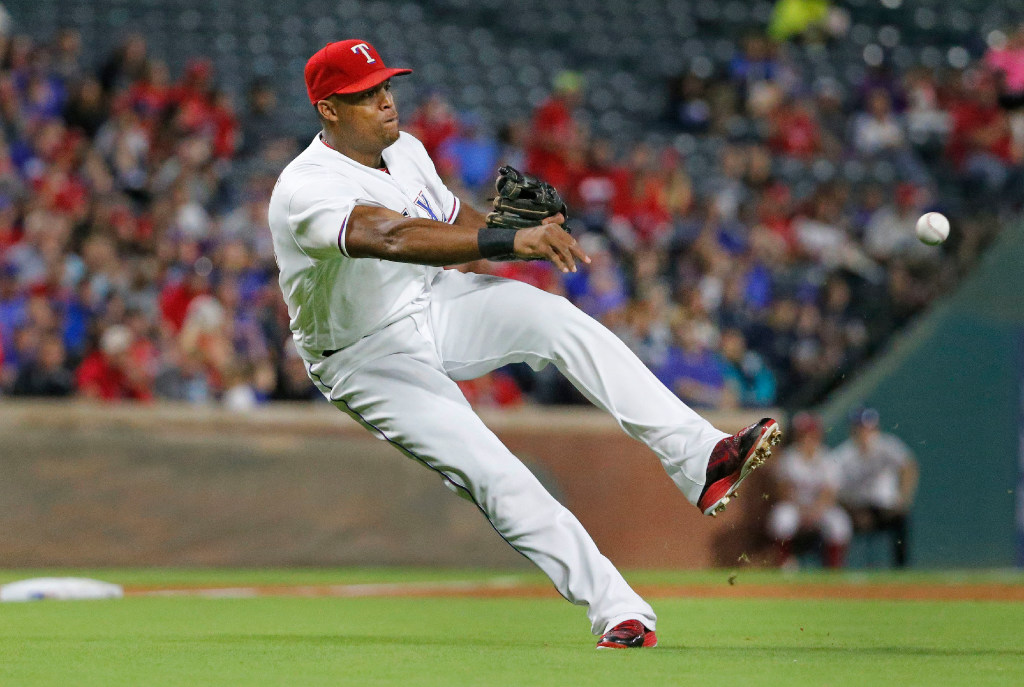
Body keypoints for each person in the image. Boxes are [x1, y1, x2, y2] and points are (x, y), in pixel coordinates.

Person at [266, 39, 781, 650]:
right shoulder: (305, 187)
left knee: (556, 320)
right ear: (328, 109)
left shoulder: (405, 150)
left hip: (429, 302)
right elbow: (393, 236)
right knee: (492, 470)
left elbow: (454, 219)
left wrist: (515, 229)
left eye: (387, 86)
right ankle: (618, 609)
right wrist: (506, 245)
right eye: (366, 94)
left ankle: (703, 459)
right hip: (363, 356)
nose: (386, 102)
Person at [832, 407, 918, 567]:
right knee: (837, 524)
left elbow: (909, 466)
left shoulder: (887, 445)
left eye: (868, 427)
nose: (865, 432)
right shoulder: (844, 454)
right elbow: (833, 490)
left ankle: (901, 571)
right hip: (856, 509)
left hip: (885, 508)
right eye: (861, 428)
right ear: (853, 430)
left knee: (902, 520)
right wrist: (853, 512)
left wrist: (904, 497)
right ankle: (838, 570)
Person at [766, 411, 851, 568]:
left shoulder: (827, 457)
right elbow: (783, 491)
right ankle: (785, 565)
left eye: (811, 434)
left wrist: (816, 510)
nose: (807, 439)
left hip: (821, 509)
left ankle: (834, 568)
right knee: (781, 519)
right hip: (796, 507)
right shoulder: (789, 458)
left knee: (839, 523)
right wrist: (802, 510)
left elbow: (830, 492)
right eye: (803, 434)